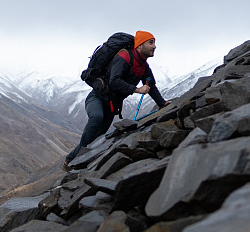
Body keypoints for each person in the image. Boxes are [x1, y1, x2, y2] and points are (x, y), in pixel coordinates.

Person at [64, 30, 171, 169]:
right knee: (96, 117)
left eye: (154, 42)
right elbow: (114, 81)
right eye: (151, 42)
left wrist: (162, 103)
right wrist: (137, 90)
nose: (155, 46)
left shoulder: (143, 66)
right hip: (97, 98)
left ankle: (72, 161)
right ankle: (73, 161)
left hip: (112, 105)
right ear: (139, 46)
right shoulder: (124, 57)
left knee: (98, 137)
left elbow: (151, 86)